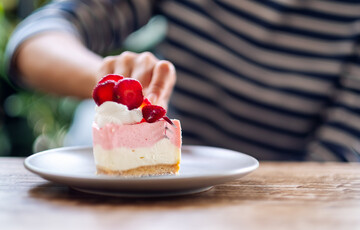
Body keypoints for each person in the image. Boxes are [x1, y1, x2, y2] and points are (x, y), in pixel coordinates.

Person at [4, 0, 360, 162]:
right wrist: (108, 86)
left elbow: (336, 161)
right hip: (151, 186)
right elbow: (33, 42)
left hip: (273, 203)